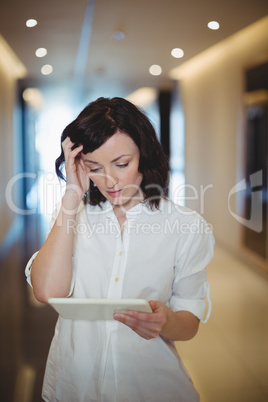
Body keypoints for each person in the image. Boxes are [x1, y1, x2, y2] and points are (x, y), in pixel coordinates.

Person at [25, 97, 214, 402]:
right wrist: (72, 195)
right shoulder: (72, 218)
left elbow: (189, 324)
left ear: (145, 155)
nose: (109, 180)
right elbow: (47, 291)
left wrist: (165, 321)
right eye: (94, 167)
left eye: (122, 164)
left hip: (150, 387)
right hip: (75, 386)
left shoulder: (185, 226)